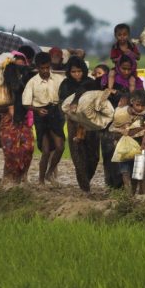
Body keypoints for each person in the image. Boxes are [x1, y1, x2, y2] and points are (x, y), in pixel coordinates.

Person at [100, 53, 144, 189]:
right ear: (118, 67)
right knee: (111, 153)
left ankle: (135, 187)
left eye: (128, 69)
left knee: (135, 152)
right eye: (123, 69)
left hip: (132, 121)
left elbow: (142, 101)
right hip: (111, 120)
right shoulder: (109, 78)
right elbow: (103, 97)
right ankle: (113, 185)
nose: (125, 72)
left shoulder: (136, 82)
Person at [59, 56, 101, 192]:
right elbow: (63, 104)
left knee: (94, 156)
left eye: (79, 71)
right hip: (74, 123)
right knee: (78, 156)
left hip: (91, 123)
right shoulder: (65, 85)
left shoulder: (91, 83)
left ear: (84, 70)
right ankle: (85, 188)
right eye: (73, 72)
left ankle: (86, 181)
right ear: (69, 72)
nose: (77, 74)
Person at [23, 52, 65, 183]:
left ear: (50, 66)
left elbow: (65, 95)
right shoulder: (32, 82)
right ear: (37, 67)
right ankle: (41, 179)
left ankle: (50, 172)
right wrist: (37, 110)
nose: (45, 71)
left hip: (55, 113)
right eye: (42, 68)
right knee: (46, 151)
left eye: (47, 68)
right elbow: (26, 104)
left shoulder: (59, 79)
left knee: (60, 147)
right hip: (40, 115)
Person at [0, 53, 36, 183]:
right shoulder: (3, 84)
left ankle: (22, 175)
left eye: (22, 65)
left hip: (24, 118)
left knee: (28, 147)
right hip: (8, 121)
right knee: (10, 151)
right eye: (17, 65)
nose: (20, 68)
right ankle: (9, 178)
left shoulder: (27, 82)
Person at [109, 89, 145, 195]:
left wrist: (143, 143)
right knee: (125, 171)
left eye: (143, 105)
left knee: (139, 172)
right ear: (132, 101)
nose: (140, 108)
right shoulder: (120, 113)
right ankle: (129, 196)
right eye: (138, 105)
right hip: (123, 145)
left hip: (139, 145)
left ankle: (142, 195)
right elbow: (113, 130)